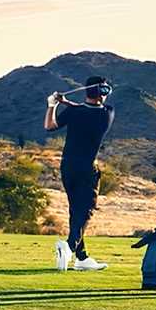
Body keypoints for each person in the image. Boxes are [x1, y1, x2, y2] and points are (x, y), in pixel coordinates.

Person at [44, 76, 115, 271]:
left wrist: (53, 105)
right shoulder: (107, 113)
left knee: (76, 210)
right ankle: (68, 246)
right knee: (87, 210)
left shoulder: (73, 112)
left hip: (67, 167)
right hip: (87, 169)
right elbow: (90, 109)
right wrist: (68, 103)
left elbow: (49, 126)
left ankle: (82, 258)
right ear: (103, 93)